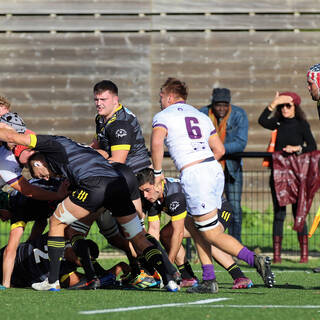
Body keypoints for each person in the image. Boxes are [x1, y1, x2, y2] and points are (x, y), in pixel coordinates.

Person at [0, 129, 179, 292]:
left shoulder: (49, 144)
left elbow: (11, 136)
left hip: (95, 184)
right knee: (138, 237)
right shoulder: (73, 147)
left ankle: (52, 281)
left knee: (56, 222)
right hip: (117, 183)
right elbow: (99, 154)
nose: (47, 178)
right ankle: (168, 277)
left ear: (37, 162)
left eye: (42, 175)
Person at [151, 77, 274, 293]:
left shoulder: (163, 116)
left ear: (170, 97)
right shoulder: (200, 115)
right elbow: (220, 150)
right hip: (213, 169)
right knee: (198, 227)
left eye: (161, 96)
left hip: (195, 173)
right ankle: (209, 279)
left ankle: (254, 260)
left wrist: (158, 173)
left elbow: (157, 142)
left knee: (211, 233)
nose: (159, 100)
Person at [137, 168, 253, 290]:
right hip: (196, 216)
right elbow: (153, 232)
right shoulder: (153, 197)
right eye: (142, 191)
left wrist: (168, 266)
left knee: (207, 236)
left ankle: (240, 276)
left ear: (157, 185)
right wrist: (153, 260)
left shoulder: (174, 195)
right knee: (166, 234)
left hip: (220, 208)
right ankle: (188, 277)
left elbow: (179, 233)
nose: (145, 195)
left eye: (147, 190)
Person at [258, 91, 317, 263]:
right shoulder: (277, 122)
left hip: (297, 174)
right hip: (278, 174)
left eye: (288, 105)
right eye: (282, 106)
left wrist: (297, 148)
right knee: (279, 214)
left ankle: (304, 254)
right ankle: (277, 255)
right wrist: (274, 102)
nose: (284, 109)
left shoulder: (302, 124)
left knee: (299, 213)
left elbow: (312, 146)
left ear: (295, 107)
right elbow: (262, 121)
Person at [91, 80, 151, 221]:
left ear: (115, 100)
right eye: (96, 99)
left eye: (103, 99)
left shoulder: (120, 123)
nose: (99, 103)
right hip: (118, 171)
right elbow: (95, 145)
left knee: (131, 226)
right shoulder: (101, 118)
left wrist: (95, 160)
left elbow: (118, 160)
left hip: (135, 175)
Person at [200, 88, 248, 242]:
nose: (221, 108)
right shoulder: (202, 113)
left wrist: (219, 150)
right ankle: (207, 243)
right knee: (205, 207)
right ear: (212, 103)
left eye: (225, 105)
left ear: (229, 104)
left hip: (231, 168)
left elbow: (241, 143)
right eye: (218, 105)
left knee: (234, 207)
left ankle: (236, 245)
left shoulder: (239, 115)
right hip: (208, 168)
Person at [0, 233, 125, 290]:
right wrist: (120, 266)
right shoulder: (67, 269)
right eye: (87, 260)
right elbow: (94, 283)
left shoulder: (59, 235)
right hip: (15, 273)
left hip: (8, 256)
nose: (86, 264)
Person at [0, 178, 62, 288]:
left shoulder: (18, 207)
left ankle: (6, 282)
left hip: (59, 194)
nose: (2, 220)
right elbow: (41, 220)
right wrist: (29, 244)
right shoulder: (23, 201)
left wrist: (5, 284)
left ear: (4, 208)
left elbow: (10, 250)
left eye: (0, 215)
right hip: (61, 189)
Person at [0, 113, 68, 201]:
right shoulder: (5, 160)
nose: (35, 154)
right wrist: (57, 196)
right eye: (30, 150)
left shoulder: (25, 136)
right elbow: (28, 190)